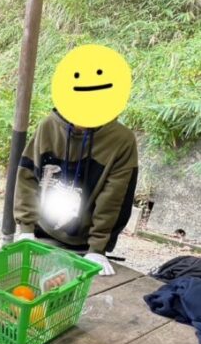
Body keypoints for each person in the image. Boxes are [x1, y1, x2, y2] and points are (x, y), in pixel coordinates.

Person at [13, 109, 138, 275]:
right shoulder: (48, 126)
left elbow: (113, 200)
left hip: (85, 246)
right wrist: (26, 229)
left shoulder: (121, 140)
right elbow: (27, 176)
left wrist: (97, 249)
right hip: (40, 235)